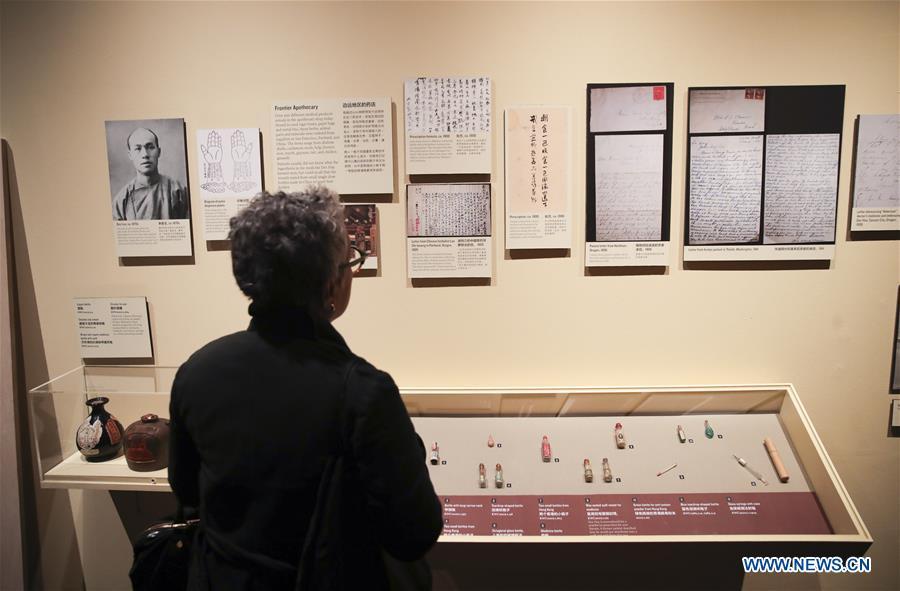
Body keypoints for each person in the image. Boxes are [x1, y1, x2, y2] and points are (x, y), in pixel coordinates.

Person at [168, 188, 442, 590]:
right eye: (349, 262)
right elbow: (414, 533)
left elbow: (186, 487)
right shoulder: (364, 392)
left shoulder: (197, 371)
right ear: (331, 284)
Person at [112, 127, 190, 220]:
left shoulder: (178, 191)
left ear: (159, 152)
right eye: (138, 149)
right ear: (130, 155)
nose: (145, 154)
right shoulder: (121, 200)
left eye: (150, 147)